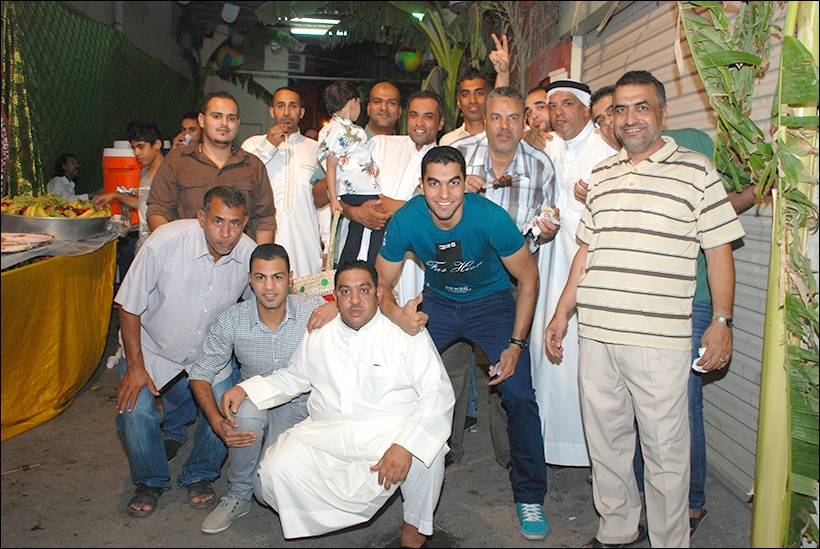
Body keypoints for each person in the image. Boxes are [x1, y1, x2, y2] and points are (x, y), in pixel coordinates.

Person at [545, 71, 745, 548]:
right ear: (611, 119)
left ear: (663, 114)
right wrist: (561, 312)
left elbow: (719, 250)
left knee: (665, 452)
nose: (630, 118)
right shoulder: (603, 176)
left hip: (660, 339)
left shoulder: (697, 171)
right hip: (597, 333)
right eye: (620, 109)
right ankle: (616, 530)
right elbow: (585, 251)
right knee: (607, 444)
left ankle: (669, 540)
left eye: (641, 107)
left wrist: (721, 321)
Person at [377, 146, 550, 541]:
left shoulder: (490, 218)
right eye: (434, 184)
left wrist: (516, 344)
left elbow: (529, 277)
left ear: (464, 184)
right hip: (439, 302)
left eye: (453, 182)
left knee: (519, 394)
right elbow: (381, 281)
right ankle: (394, 464)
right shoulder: (407, 219)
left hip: (491, 303)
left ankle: (530, 494)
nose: (444, 194)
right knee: (396, 381)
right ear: (421, 186)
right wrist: (396, 314)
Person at [220, 260, 455, 548]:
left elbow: (437, 392)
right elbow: (294, 378)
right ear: (336, 297)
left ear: (378, 294)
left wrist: (405, 445)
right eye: (345, 292)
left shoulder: (403, 332)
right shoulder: (321, 332)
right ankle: (320, 518)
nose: (355, 300)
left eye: (363, 290)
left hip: (386, 435)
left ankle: (415, 529)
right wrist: (246, 388)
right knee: (274, 472)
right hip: (327, 434)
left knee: (427, 449)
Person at [115, 186, 259, 518]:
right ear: (201, 217)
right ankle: (149, 479)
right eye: (218, 221)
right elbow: (129, 305)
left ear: (245, 222)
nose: (226, 233)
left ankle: (200, 472)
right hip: (152, 346)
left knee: (230, 410)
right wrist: (135, 366)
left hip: (209, 353)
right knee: (133, 412)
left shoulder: (250, 255)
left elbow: (261, 309)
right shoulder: (165, 242)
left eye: (235, 223)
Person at [189, 243, 331, 534]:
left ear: (290, 278)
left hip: (299, 405)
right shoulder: (232, 319)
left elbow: (363, 300)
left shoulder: (313, 309)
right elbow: (200, 373)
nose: (269, 287)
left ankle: (271, 483)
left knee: (266, 489)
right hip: (254, 399)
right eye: (261, 277)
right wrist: (215, 421)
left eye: (277, 277)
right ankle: (237, 495)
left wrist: (335, 305)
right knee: (241, 415)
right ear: (250, 279)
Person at [450, 86, 557, 473]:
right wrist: (455, 191)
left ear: (524, 120)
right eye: (496, 117)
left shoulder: (541, 166)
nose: (504, 126)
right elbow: (421, 202)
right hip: (457, 275)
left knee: (506, 368)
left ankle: (509, 452)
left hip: (509, 282)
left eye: (513, 117)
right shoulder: (458, 155)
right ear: (485, 119)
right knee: (449, 365)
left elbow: (546, 221)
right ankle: (444, 445)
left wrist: (546, 231)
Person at [529, 80, 617, 469]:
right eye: (552, 105)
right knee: (543, 355)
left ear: (587, 110)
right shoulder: (550, 147)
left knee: (582, 363)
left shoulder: (607, 152)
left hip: (588, 277)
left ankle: (587, 451)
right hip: (549, 269)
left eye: (568, 104)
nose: (558, 112)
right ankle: (545, 445)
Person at [146, 91, 276, 244]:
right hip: (186, 254)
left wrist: (260, 258)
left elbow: (264, 220)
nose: (224, 123)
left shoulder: (253, 166)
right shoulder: (177, 161)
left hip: (239, 257)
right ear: (202, 120)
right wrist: (175, 249)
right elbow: (158, 210)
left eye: (231, 118)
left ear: (238, 124)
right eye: (217, 116)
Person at [241, 87, 324, 278]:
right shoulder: (253, 144)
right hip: (261, 240)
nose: (286, 112)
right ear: (272, 111)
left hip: (306, 245)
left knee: (304, 293)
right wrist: (269, 145)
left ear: (301, 112)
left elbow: (323, 202)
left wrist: (327, 244)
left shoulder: (316, 149)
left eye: (292, 106)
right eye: (280, 106)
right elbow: (243, 179)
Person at [317, 80, 381, 264]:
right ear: (353, 102)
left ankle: (349, 265)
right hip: (356, 189)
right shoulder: (337, 130)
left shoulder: (343, 128)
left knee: (357, 230)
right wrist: (334, 199)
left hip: (359, 187)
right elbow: (331, 166)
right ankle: (371, 264)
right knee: (380, 222)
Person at [94, 121, 164, 254]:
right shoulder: (144, 172)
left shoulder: (169, 173)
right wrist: (115, 195)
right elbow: (142, 203)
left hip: (162, 247)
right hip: (144, 246)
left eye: (141, 147)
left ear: (157, 144)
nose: (136, 153)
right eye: (134, 148)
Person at [439, 71, 489, 146]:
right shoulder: (449, 142)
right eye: (466, 94)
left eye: (479, 93)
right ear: (458, 101)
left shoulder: (499, 137)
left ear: (489, 98)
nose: (472, 100)